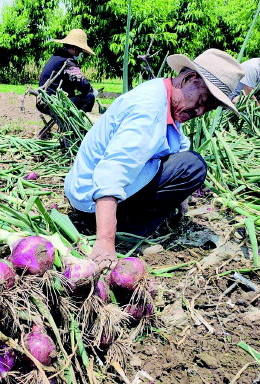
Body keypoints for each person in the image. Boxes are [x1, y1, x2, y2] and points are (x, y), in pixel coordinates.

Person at [64, 49, 245, 265]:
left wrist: (182, 198)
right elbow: (112, 172)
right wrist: (104, 242)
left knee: (188, 160)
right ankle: (127, 229)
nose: (200, 111)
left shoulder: (164, 95)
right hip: (92, 202)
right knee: (192, 166)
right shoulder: (149, 110)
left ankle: (130, 222)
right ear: (188, 78)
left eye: (208, 109)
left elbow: (178, 145)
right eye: (202, 100)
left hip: (85, 195)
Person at [37, 29, 97, 115]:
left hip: (42, 100)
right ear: (76, 48)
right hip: (54, 103)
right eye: (80, 51)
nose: (80, 54)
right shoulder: (68, 61)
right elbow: (83, 85)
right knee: (89, 97)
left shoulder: (57, 55)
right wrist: (92, 90)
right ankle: (80, 126)